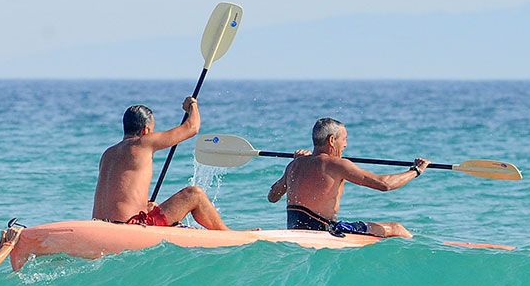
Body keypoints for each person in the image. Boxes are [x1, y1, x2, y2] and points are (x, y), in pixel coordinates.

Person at [267, 117, 429, 238]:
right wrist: (416, 170)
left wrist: (296, 162)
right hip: (326, 232)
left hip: (294, 229)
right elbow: (384, 184)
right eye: (344, 139)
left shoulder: (294, 164)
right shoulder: (338, 164)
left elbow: (272, 197)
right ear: (332, 140)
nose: (345, 144)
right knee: (396, 228)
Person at [92, 97, 228, 230]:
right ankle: (229, 235)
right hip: (129, 225)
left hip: (99, 224)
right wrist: (192, 105)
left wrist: (146, 207)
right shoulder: (143, 143)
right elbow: (192, 127)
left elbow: (121, 193)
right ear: (145, 131)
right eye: (152, 130)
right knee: (194, 194)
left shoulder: (108, 154)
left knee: (153, 207)